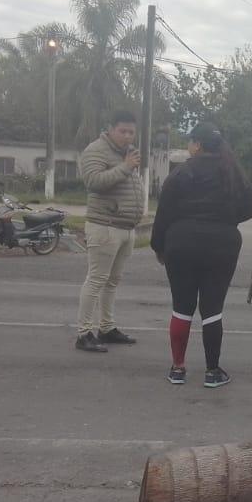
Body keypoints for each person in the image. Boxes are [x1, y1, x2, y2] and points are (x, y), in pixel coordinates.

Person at [151, 122, 252, 388]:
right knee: (212, 310)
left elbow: (163, 213)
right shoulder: (231, 172)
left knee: (181, 308)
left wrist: (159, 246)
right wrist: (227, 220)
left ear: (197, 144)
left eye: (190, 141)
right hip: (222, 244)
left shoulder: (180, 173)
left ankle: (178, 369)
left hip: (181, 243)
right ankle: (212, 372)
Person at [75, 111, 143, 353]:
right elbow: (93, 182)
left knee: (112, 281)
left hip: (125, 227)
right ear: (111, 129)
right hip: (105, 226)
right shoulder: (96, 150)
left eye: (131, 132)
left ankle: (107, 327)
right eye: (122, 131)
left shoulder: (127, 153)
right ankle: (84, 333)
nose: (127, 136)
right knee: (96, 280)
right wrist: (125, 167)